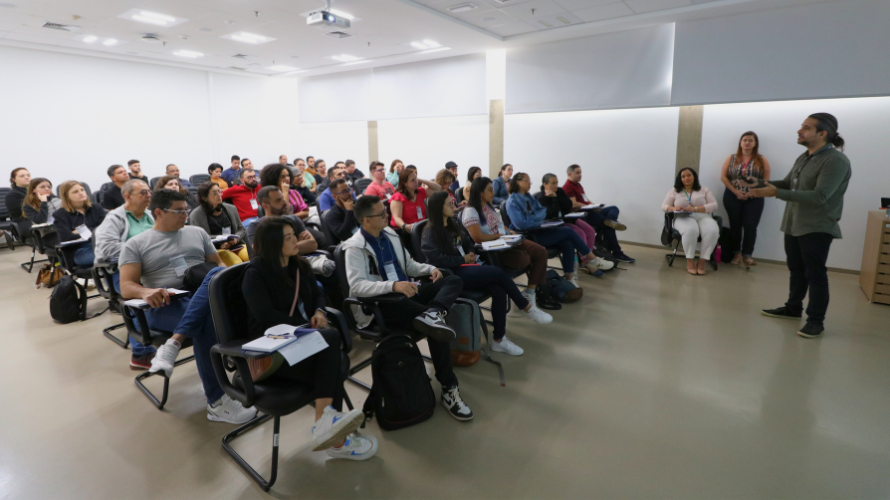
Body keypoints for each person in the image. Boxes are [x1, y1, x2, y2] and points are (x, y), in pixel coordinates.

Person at [242, 218, 374, 459]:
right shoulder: (255, 273)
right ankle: (330, 430)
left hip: (302, 342)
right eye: (289, 237)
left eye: (295, 234)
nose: (297, 240)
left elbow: (318, 295)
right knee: (331, 345)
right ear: (272, 243)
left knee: (329, 348)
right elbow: (266, 317)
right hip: (271, 352)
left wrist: (319, 312)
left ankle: (330, 430)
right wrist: (307, 327)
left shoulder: (300, 266)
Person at [120, 189, 255, 424]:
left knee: (217, 277)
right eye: (179, 211)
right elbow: (126, 286)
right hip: (166, 304)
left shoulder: (197, 232)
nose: (186, 214)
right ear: (159, 212)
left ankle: (173, 345)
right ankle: (217, 402)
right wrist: (145, 291)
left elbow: (217, 263)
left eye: (186, 209)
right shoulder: (136, 244)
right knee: (207, 320)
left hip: (203, 294)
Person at [343, 195, 474, 421]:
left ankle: (433, 312)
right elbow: (357, 286)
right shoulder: (354, 247)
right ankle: (449, 388)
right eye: (381, 214)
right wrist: (393, 285)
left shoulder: (391, 235)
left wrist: (430, 269)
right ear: (366, 220)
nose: (387, 215)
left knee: (451, 278)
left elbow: (409, 265)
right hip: (383, 304)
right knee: (436, 327)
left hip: (408, 292)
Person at [753, 113, 851, 339]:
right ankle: (793, 307)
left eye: (806, 128)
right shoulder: (805, 157)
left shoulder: (835, 161)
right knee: (796, 269)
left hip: (816, 226)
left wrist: (776, 192)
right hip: (794, 223)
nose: (800, 131)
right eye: (801, 127)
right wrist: (757, 183)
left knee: (815, 273)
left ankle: (816, 321)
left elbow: (820, 196)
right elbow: (788, 184)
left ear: (822, 133)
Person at [422, 192, 553, 356]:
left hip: (466, 266)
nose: (453, 206)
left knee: (498, 289)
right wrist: (461, 259)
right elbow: (436, 260)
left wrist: (470, 254)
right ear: (437, 208)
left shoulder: (454, 223)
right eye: (449, 204)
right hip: (452, 275)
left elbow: (469, 243)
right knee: (497, 273)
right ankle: (525, 306)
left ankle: (499, 340)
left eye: (452, 202)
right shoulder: (430, 232)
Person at [93, 179, 157, 368]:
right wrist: (142, 252)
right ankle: (141, 355)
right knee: (137, 298)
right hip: (120, 271)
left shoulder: (149, 216)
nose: (148, 196)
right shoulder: (115, 218)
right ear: (127, 196)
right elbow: (107, 248)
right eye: (143, 193)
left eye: (149, 192)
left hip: (150, 268)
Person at [461, 177, 552, 308]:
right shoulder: (471, 211)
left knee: (540, 251)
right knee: (524, 258)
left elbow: (499, 224)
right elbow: (478, 238)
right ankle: (531, 292)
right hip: (493, 249)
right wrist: (499, 236)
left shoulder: (488, 206)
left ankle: (530, 292)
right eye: (490, 190)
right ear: (480, 192)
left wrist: (509, 232)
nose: (493, 192)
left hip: (505, 241)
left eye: (492, 189)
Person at [506, 173, 604, 289]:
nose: (530, 184)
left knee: (568, 242)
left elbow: (543, 212)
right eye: (527, 180)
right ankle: (591, 258)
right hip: (529, 236)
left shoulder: (529, 197)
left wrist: (534, 217)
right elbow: (522, 224)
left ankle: (569, 276)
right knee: (568, 231)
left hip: (539, 230)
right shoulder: (512, 202)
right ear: (518, 182)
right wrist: (536, 218)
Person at [536, 174, 614, 275]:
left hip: (569, 218)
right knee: (580, 233)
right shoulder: (542, 197)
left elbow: (568, 205)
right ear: (545, 184)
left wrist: (557, 196)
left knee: (590, 231)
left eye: (557, 183)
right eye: (552, 183)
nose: (555, 185)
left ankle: (590, 260)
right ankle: (587, 262)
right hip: (559, 222)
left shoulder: (559, 191)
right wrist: (554, 199)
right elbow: (552, 214)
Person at [563, 164, 635, 263]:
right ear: (569, 174)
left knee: (613, 208)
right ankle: (617, 252)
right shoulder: (568, 187)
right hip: (583, 215)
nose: (580, 175)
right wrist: (588, 206)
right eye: (577, 173)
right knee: (608, 226)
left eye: (581, 172)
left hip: (589, 210)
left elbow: (586, 200)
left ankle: (611, 220)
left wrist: (595, 206)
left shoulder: (578, 185)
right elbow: (574, 204)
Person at [720, 131, 771, 268]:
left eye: (750, 140)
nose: (747, 143)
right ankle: (737, 253)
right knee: (735, 226)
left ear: (755, 144)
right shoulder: (732, 158)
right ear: (740, 143)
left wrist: (752, 192)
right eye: (745, 140)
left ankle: (747, 255)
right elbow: (724, 177)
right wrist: (736, 191)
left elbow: (765, 180)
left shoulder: (761, 159)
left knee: (750, 226)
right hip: (733, 195)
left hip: (754, 197)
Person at [662, 168, 720, 276]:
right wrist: (673, 208)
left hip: (703, 216)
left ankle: (702, 262)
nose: (686, 178)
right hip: (683, 217)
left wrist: (696, 209)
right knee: (690, 230)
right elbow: (664, 206)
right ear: (680, 179)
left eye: (689, 175)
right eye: (683, 176)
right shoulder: (674, 190)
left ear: (694, 176)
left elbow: (714, 205)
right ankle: (690, 261)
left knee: (712, 230)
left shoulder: (704, 189)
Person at [189, 181, 248, 265]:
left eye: (219, 191)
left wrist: (235, 239)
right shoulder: (196, 214)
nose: (219, 195)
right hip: (215, 249)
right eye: (214, 193)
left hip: (236, 245)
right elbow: (200, 237)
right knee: (236, 262)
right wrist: (223, 240)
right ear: (205, 198)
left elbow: (241, 228)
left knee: (252, 256)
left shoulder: (231, 208)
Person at [53, 181, 107, 266]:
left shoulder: (96, 208)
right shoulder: (60, 214)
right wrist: (94, 230)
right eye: (75, 192)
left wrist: (80, 231)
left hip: (101, 245)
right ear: (66, 196)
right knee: (115, 253)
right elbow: (66, 237)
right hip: (79, 251)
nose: (81, 193)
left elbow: (106, 229)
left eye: (82, 190)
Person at [390, 168, 442, 255]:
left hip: (420, 228)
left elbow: (438, 188)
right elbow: (396, 217)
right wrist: (405, 226)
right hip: (404, 231)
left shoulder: (420, 192)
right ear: (404, 183)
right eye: (412, 180)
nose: (416, 182)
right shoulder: (398, 197)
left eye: (416, 179)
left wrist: (420, 179)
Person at [325, 178, 359, 243]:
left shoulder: (356, 204)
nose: (349, 193)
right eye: (344, 192)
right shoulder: (332, 215)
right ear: (335, 197)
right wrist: (349, 211)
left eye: (349, 190)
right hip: (349, 244)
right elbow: (344, 236)